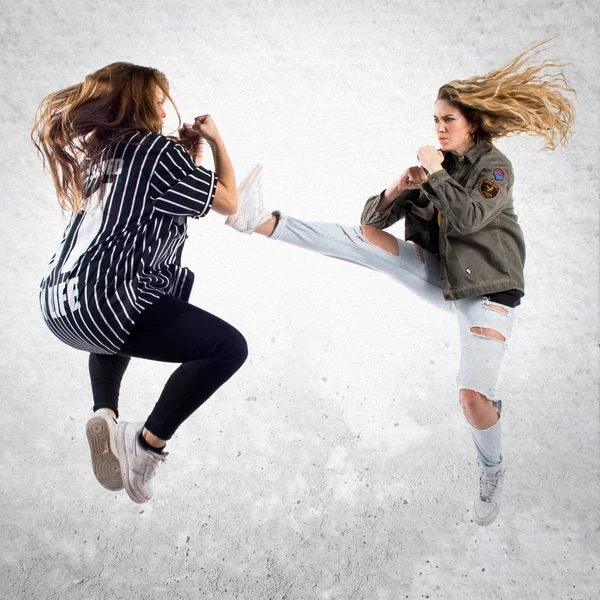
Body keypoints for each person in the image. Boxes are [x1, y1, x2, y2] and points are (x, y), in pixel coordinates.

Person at [225, 40, 575, 526]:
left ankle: (492, 470)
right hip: (444, 278)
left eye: (447, 120)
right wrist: (399, 186)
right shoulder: (437, 172)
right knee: (367, 241)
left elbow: (471, 217)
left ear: (471, 123)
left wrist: (435, 171)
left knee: (472, 400)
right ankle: (260, 221)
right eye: (435, 120)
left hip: (490, 295)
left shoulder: (493, 168)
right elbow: (371, 220)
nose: (438, 128)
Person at [33, 62, 248, 504]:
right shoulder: (154, 150)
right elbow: (227, 201)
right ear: (137, 102)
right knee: (228, 348)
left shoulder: (102, 154)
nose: (165, 113)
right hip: (110, 302)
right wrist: (215, 140)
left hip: (62, 305)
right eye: (157, 102)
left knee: (129, 300)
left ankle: (105, 415)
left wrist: (188, 154)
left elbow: (158, 197)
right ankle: (146, 446)